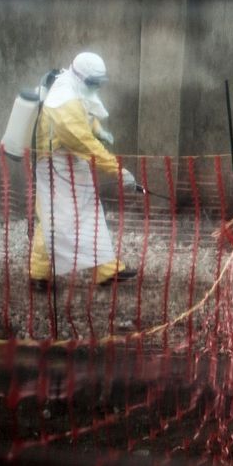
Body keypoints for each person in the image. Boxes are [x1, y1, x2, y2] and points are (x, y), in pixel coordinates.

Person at [30, 51, 139, 290]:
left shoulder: (72, 85)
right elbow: (84, 143)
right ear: (81, 77)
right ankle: (39, 275)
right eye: (93, 83)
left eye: (98, 83)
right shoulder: (64, 101)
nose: (95, 87)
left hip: (69, 159)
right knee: (56, 217)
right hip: (54, 163)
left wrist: (98, 128)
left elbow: (85, 111)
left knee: (88, 210)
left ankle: (107, 269)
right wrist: (119, 171)